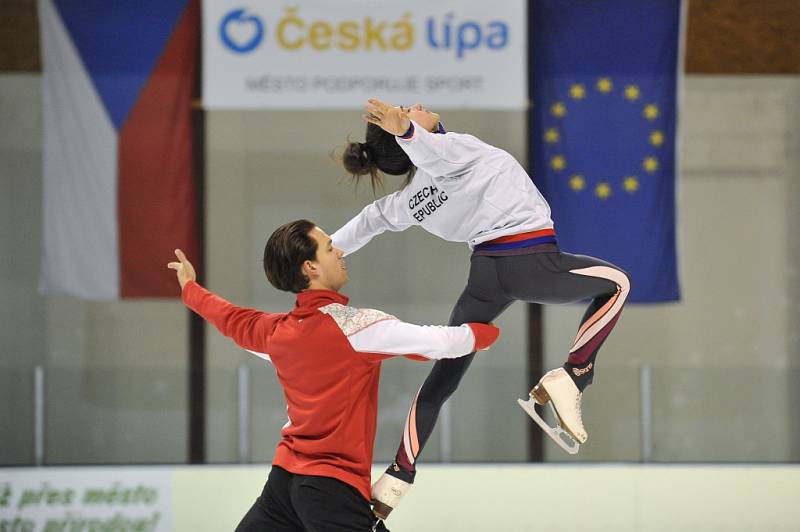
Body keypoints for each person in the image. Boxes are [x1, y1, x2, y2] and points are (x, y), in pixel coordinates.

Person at [333, 99, 631, 518]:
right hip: (529, 258)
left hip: (488, 274)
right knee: (618, 283)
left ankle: (397, 478)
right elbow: (431, 151)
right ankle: (574, 375)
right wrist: (406, 131)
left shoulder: (411, 201)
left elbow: (369, 220)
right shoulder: (452, 148)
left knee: (444, 376)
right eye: (409, 108)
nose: (417, 106)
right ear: (410, 141)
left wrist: (321, 253)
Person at [167, 219, 500, 531]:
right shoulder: (357, 327)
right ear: (310, 267)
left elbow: (230, 319)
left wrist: (191, 290)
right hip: (331, 487)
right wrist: (485, 333)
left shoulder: (277, 333)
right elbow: (437, 342)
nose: (339, 251)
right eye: (329, 247)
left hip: (284, 485)